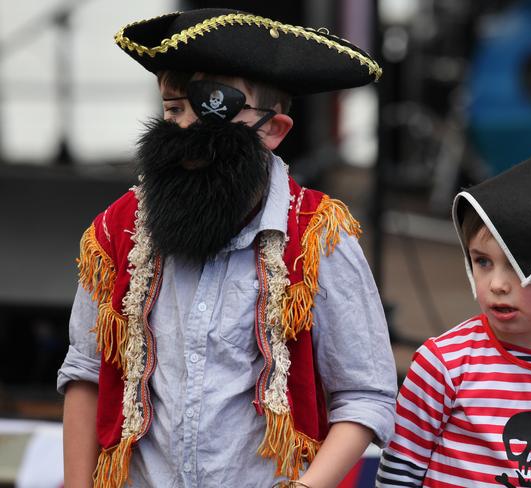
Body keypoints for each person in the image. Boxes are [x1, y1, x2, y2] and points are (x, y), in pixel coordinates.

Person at [57, 8, 397, 488]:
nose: (187, 132)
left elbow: (366, 394)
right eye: (174, 110)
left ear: (274, 131)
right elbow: (87, 371)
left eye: (213, 109)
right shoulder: (118, 233)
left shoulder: (318, 236)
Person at [376, 139, 531, 487]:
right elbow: (399, 471)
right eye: (482, 261)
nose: (496, 283)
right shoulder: (443, 364)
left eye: (518, 266)